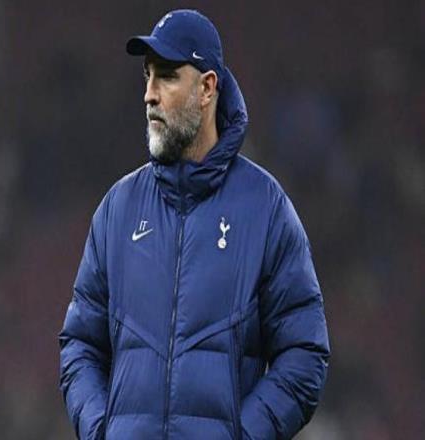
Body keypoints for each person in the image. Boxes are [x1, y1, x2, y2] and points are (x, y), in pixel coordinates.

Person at [59, 9, 330, 440]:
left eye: (166, 76)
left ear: (207, 88)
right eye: (147, 76)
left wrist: (242, 434)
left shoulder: (264, 208)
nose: (149, 94)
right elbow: (80, 345)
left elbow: (304, 352)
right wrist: (101, 430)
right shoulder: (118, 209)